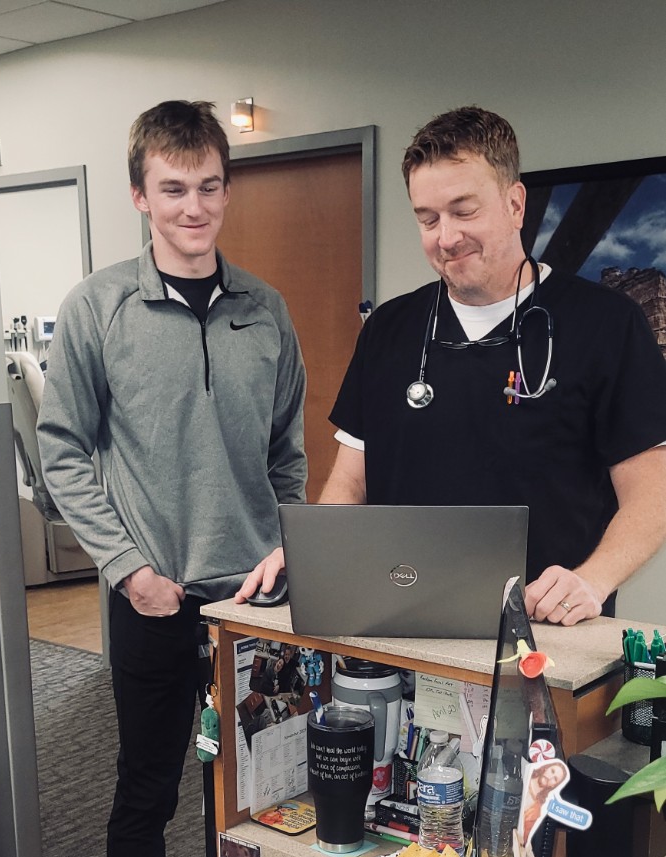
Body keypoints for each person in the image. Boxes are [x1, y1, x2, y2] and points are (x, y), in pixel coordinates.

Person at [37, 100, 307, 857]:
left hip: (253, 606)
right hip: (150, 599)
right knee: (147, 792)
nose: (194, 207)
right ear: (140, 195)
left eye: (209, 188)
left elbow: (287, 457)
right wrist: (128, 570)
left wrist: (286, 552)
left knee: (256, 798)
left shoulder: (264, 311)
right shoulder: (97, 308)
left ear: (226, 191)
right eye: (173, 189)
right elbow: (64, 453)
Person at [237, 105, 666, 624]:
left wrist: (593, 579)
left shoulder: (605, 323)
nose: (446, 237)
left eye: (464, 212)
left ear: (515, 204)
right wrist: (312, 555)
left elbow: (651, 491)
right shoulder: (389, 330)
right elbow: (352, 483)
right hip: (401, 624)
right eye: (428, 218)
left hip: (545, 634)